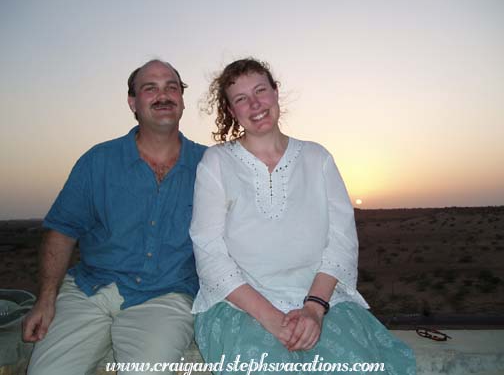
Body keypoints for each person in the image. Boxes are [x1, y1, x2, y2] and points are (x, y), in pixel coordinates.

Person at [190, 58, 416, 374]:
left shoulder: (317, 158)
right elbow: (210, 252)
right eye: (241, 99)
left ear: (276, 92)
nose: (255, 104)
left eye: (260, 91)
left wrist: (314, 309)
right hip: (239, 308)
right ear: (231, 111)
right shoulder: (216, 163)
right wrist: (270, 318)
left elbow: (341, 241)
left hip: (322, 304)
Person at [22, 59, 206, 375]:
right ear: (133, 102)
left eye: (171, 88)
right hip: (90, 289)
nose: (163, 96)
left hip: (165, 295)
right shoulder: (98, 161)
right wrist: (46, 299)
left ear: (182, 100)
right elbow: (62, 231)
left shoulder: (209, 166)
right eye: (150, 89)